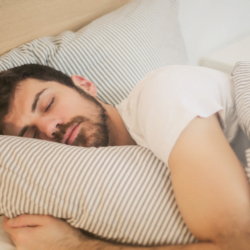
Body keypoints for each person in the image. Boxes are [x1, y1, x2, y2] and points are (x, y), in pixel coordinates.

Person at [1, 64, 250, 250]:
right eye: (32, 135)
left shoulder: (161, 95)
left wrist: (73, 245)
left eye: (48, 104)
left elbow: (238, 241)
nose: (50, 128)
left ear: (84, 85)